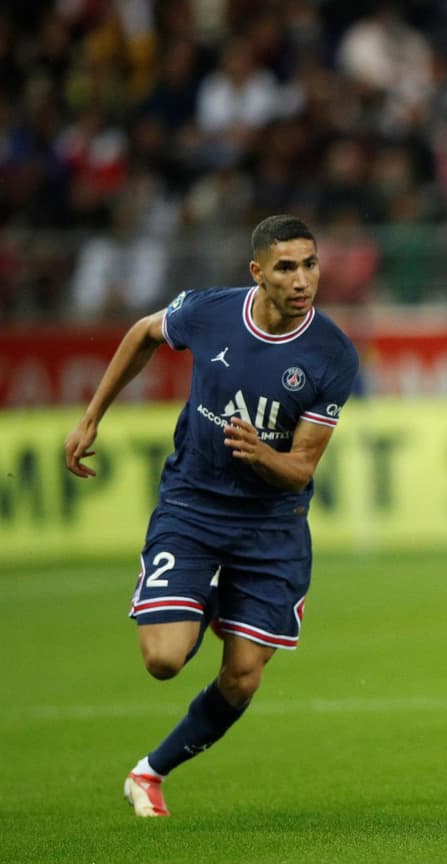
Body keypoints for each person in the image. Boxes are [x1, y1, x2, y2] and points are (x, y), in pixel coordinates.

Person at [64, 215, 359, 816]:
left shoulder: (332, 353)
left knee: (243, 676)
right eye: (285, 267)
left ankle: (150, 772)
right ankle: (209, 595)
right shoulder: (210, 311)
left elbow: (302, 467)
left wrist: (262, 453)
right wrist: (92, 416)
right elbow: (145, 333)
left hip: (271, 526)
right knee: (164, 660)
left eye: (310, 264)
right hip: (193, 508)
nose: (302, 280)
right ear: (257, 272)